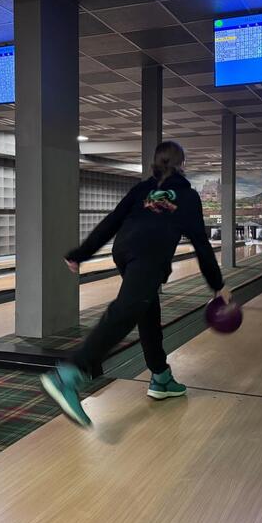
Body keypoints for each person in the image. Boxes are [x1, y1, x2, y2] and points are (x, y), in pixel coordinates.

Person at [40, 141, 231, 427]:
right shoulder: (188, 196)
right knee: (126, 310)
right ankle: (69, 374)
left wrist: (82, 253)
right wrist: (217, 284)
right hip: (150, 255)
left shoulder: (142, 189)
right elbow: (202, 244)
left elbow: (112, 221)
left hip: (125, 250)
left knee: (146, 310)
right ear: (182, 164)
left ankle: (161, 376)